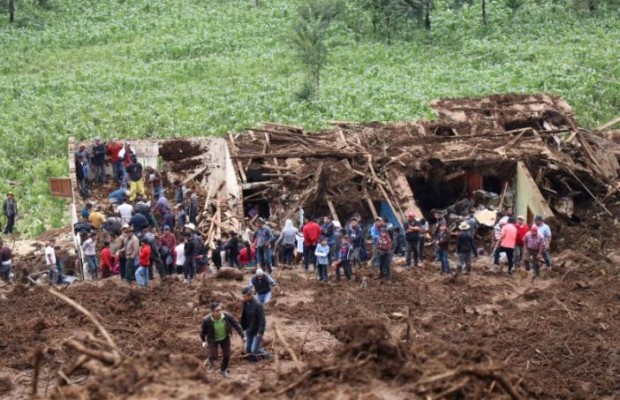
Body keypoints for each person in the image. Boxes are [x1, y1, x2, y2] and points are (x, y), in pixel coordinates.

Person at [200, 302, 245, 378]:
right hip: (212, 339)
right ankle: (210, 358)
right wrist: (203, 341)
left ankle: (223, 370)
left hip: (225, 338)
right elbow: (202, 332)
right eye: (217, 310)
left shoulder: (226, 315)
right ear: (212, 312)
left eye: (221, 309)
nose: (220, 312)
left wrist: (243, 336)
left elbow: (236, 324)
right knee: (214, 356)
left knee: (227, 355)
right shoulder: (207, 320)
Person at [240, 287, 267, 362]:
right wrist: (243, 330)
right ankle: (254, 361)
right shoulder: (245, 304)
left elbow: (262, 320)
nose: (243, 298)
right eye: (243, 296)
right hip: (249, 330)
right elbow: (244, 317)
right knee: (248, 349)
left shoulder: (258, 305)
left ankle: (268, 356)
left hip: (257, 331)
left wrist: (260, 333)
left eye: (244, 297)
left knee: (254, 350)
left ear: (250, 296)